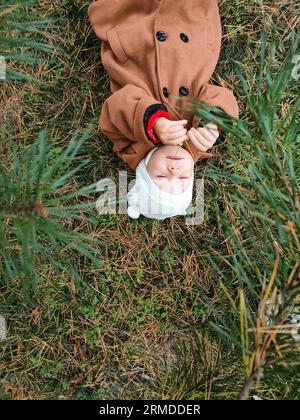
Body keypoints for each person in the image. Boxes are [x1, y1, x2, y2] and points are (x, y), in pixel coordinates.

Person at [88, 0, 239, 219]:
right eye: (182, 180)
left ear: (144, 170)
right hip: (191, 22)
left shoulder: (132, 145)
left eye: (160, 177)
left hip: (137, 30)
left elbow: (118, 106)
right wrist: (213, 122)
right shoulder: (199, 142)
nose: (174, 172)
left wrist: (155, 123)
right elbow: (222, 96)